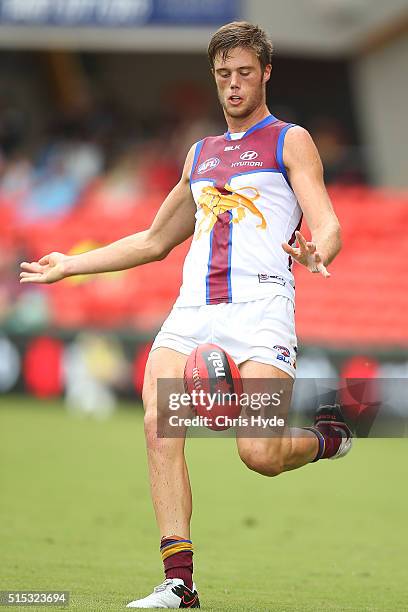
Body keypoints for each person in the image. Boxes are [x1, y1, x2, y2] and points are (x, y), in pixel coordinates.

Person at [20, 21, 352, 610]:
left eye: (244, 73)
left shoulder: (289, 140)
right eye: (223, 75)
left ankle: (327, 438)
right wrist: (70, 267)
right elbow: (153, 240)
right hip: (193, 309)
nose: (232, 85)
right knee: (157, 421)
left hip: (261, 308)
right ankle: (180, 583)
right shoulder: (199, 154)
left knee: (260, 455)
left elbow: (325, 220)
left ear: (265, 72)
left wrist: (318, 249)